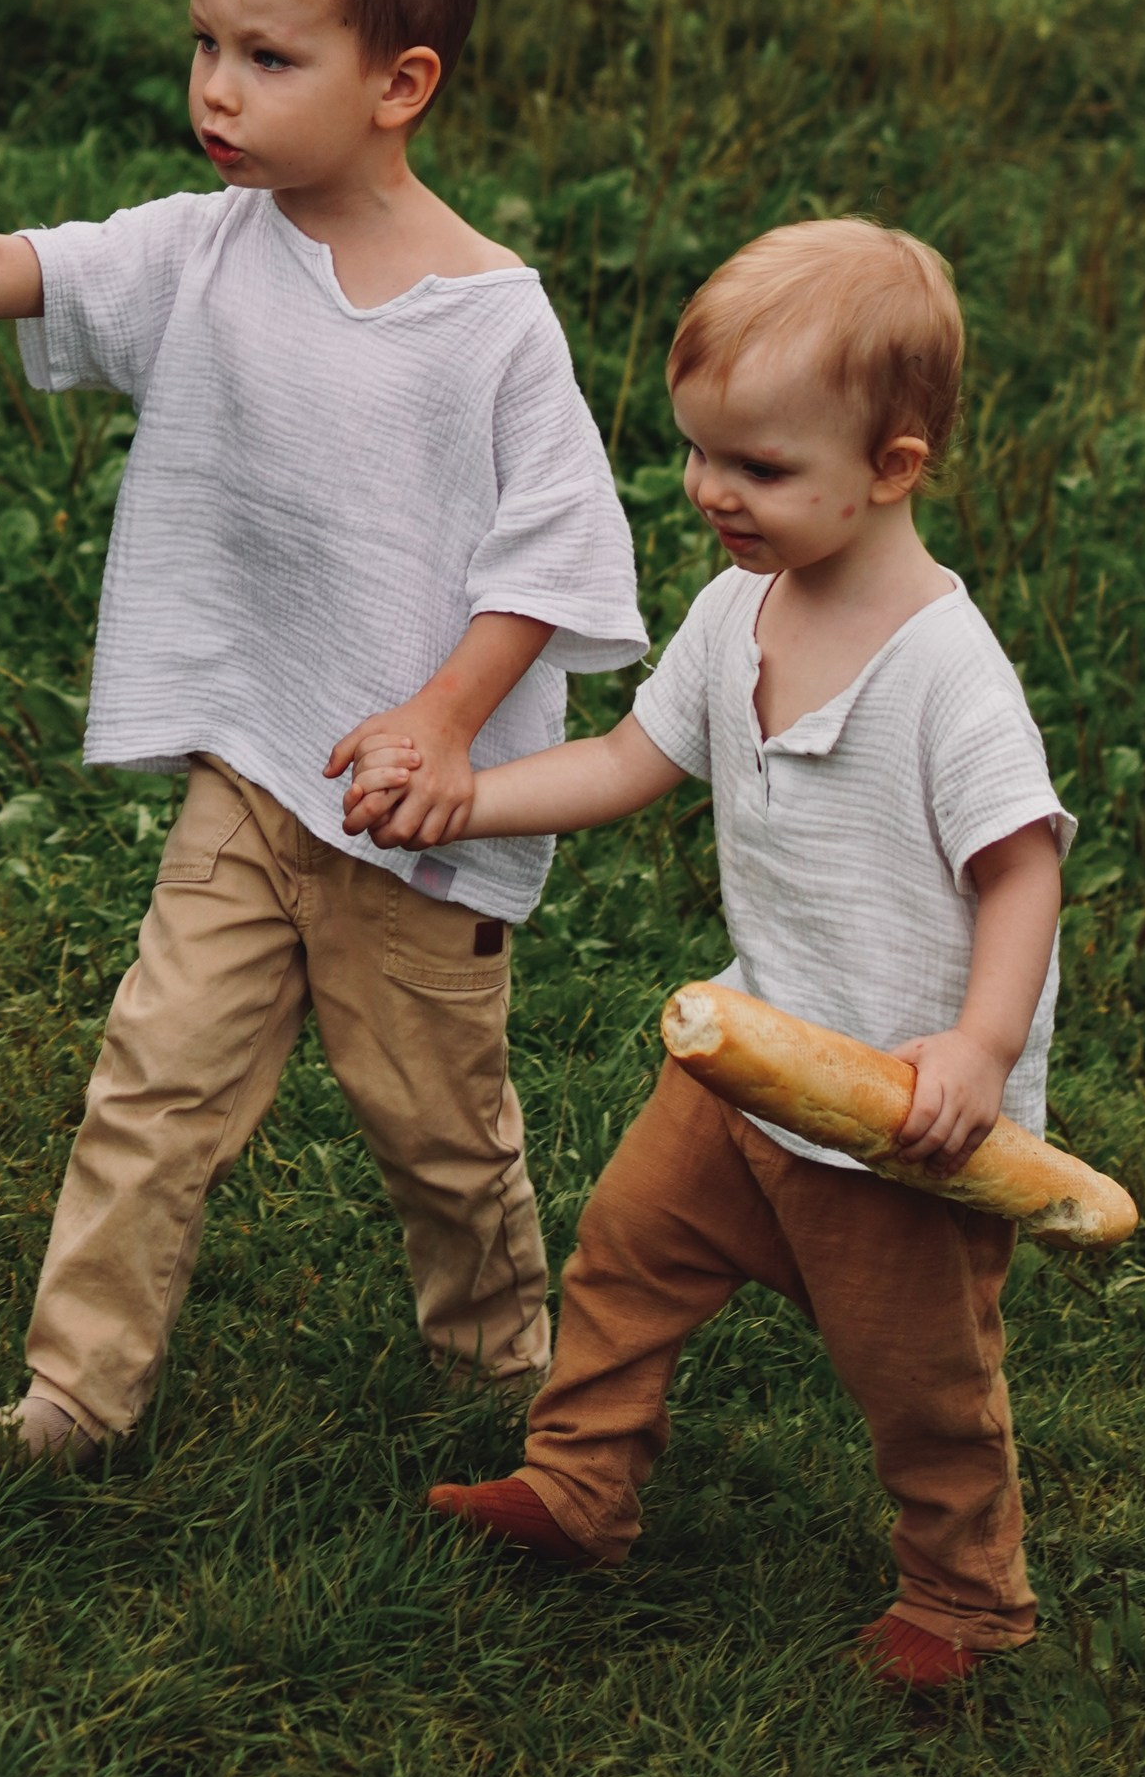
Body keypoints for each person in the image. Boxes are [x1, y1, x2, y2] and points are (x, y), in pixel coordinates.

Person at [0, 0, 646, 1464]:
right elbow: (1, 270)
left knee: (439, 1136)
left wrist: (448, 720)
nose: (214, 91)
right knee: (151, 1086)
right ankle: (74, 1397)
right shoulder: (200, 248)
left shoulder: (488, 318)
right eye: (203, 45)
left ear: (398, 83)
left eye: (265, 54)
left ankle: (494, 1364)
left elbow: (554, 555)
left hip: (412, 824)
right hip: (252, 775)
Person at [390, 219, 1070, 1691]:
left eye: (757, 470)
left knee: (921, 1381)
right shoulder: (732, 611)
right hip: (752, 1062)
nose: (710, 493)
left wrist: (976, 1050)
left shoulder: (945, 671)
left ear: (890, 468)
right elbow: (635, 757)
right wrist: (465, 794)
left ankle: (961, 1597)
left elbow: (1021, 871)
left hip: (899, 1117)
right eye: (701, 455)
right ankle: (578, 1488)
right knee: (624, 1258)